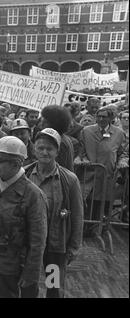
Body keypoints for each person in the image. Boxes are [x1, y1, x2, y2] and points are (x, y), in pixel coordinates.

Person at [0, 136, 48, 298]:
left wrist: (31, 274)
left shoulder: (32, 195)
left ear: (17, 163)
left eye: (0, 160)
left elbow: (37, 240)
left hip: (7, 265)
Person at [26, 128, 84, 298]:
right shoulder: (25, 174)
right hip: (29, 244)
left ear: (57, 151)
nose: (45, 152)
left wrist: (74, 246)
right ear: (33, 149)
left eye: (50, 148)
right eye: (41, 148)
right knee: (28, 285)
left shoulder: (69, 180)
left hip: (55, 246)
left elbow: (77, 215)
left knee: (53, 287)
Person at [75, 106, 128, 234]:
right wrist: (83, 160)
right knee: (86, 203)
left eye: (104, 116)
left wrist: (122, 162)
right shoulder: (86, 131)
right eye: (98, 116)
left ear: (111, 118)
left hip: (107, 177)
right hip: (89, 175)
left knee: (101, 205)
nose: (100, 119)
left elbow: (122, 153)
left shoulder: (119, 133)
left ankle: (96, 230)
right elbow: (80, 152)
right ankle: (83, 229)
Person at [41, 105, 75, 172]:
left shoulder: (59, 142)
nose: (42, 122)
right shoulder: (63, 138)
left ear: (54, 123)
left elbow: (57, 168)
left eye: (45, 120)